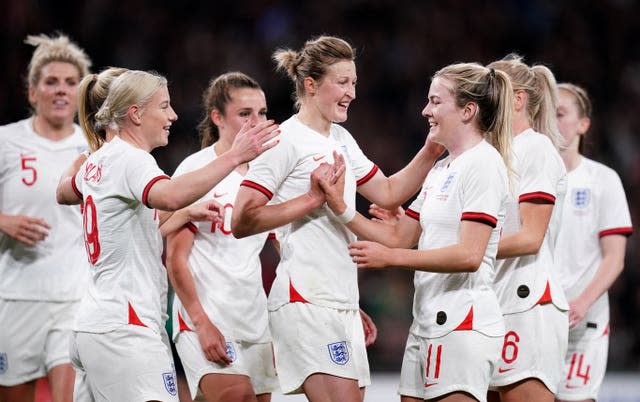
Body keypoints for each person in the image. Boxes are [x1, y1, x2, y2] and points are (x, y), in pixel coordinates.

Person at [232, 35, 444, 402]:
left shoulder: (341, 139)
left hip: (340, 298)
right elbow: (242, 220)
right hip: (305, 297)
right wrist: (310, 200)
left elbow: (389, 192)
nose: (352, 93)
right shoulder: (284, 140)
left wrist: (431, 150)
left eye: (355, 83)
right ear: (311, 85)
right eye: (343, 82)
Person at [55, 69, 279, 401]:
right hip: (125, 329)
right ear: (135, 113)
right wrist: (236, 155)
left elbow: (65, 193)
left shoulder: (99, 161)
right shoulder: (132, 160)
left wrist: (186, 214)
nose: (172, 115)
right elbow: (171, 195)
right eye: (164, 106)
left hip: (94, 325)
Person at [320, 63, 514, 402]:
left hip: (462, 323)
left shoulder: (483, 163)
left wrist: (392, 259)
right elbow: (399, 237)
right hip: (426, 321)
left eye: (436, 102)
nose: (426, 111)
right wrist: (341, 209)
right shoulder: (442, 168)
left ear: (468, 110)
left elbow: (470, 255)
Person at [165, 72, 279, 402]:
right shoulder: (195, 170)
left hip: (254, 322)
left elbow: (286, 245)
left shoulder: (269, 173)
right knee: (236, 395)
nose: (255, 122)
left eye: (261, 112)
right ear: (218, 118)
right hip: (208, 317)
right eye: (245, 114)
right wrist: (201, 323)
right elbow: (176, 257)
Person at [0, 33, 91, 402]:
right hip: (16, 296)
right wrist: (2, 221)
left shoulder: (94, 148)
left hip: (75, 298)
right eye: (50, 81)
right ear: (32, 92)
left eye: (71, 83)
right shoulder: (6, 142)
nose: (61, 90)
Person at [487, 55, 569, 402]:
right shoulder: (491, 155)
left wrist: (469, 248)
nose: (480, 101)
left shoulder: (535, 148)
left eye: (490, 92)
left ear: (517, 100)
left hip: (528, 302)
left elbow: (531, 237)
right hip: (492, 300)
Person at [554, 83, 633, 402]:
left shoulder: (603, 180)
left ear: (583, 124)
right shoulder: (525, 180)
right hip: (533, 316)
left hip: (583, 319)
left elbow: (615, 258)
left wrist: (582, 302)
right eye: (546, 114)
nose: (552, 121)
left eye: (560, 114)